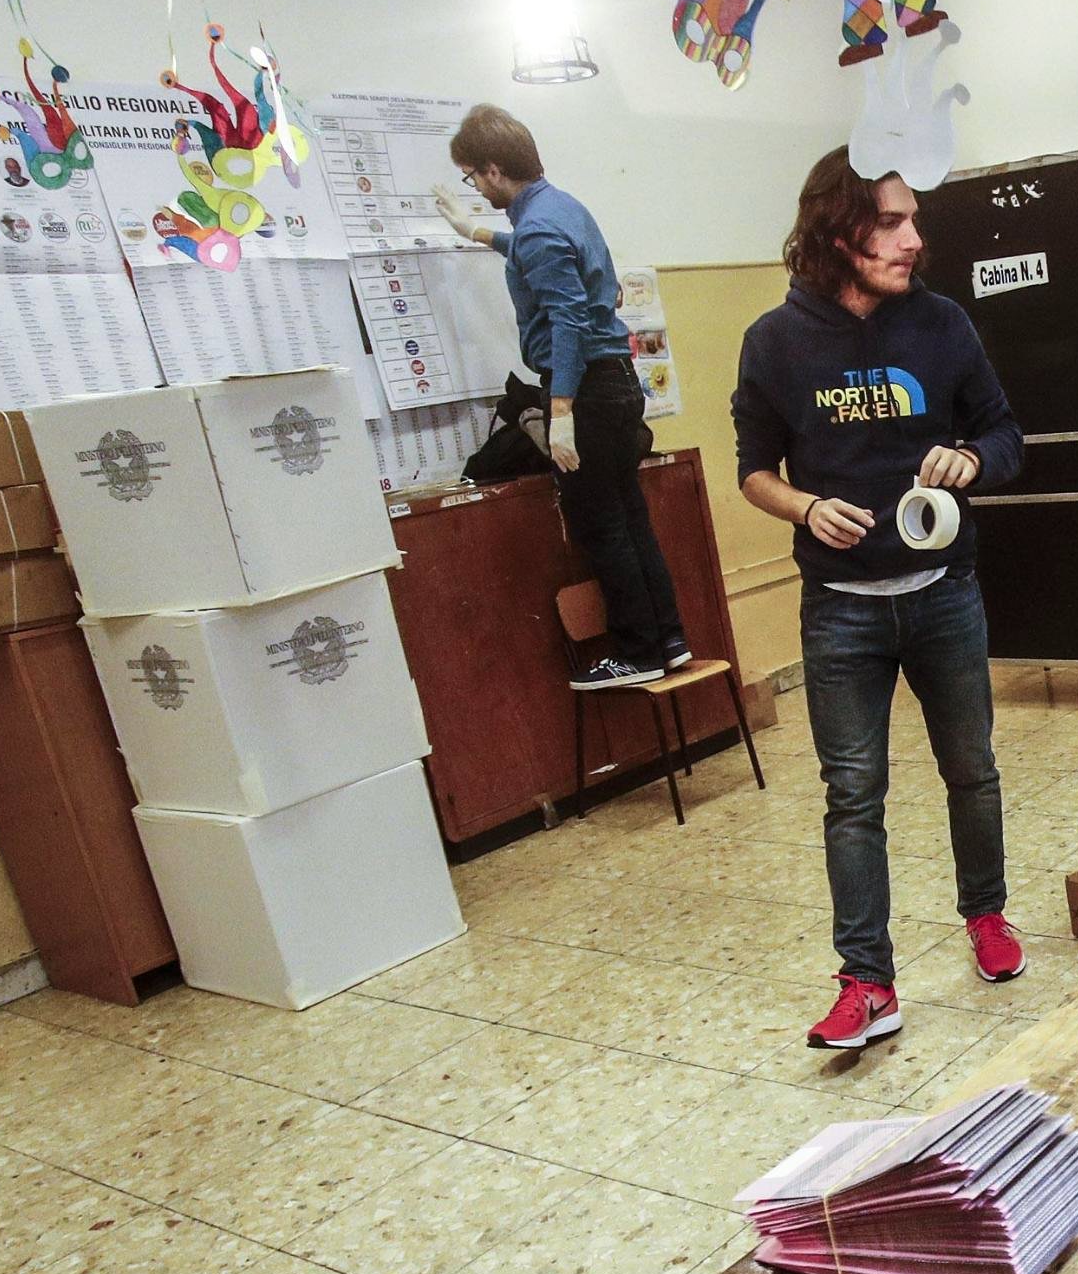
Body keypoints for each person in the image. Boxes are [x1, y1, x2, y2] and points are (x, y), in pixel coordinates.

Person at [732, 149, 1027, 1048]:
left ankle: (986, 916)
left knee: (970, 768)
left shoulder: (941, 325)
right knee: (852, 794)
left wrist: (972, 459)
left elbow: (1005, 432)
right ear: (838, 228)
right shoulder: (774, 342)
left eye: (912, 220)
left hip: (944, 592)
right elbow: (752, 471)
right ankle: (868, 982)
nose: (914, 238)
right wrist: (804, 506)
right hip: (841, 609)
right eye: (892, 222)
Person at [440, 104, 690, 690]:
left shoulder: (539, 227)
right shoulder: (559, 208)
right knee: (629, 516)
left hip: (584, 390)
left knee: (600, 525)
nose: (474, 188)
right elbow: (535, 255)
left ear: (495, 169)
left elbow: (568, 321)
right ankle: (668, 638)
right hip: (615, 383)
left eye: (473, 177)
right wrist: (477, 232)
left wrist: (560, 415)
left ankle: (638, 652)